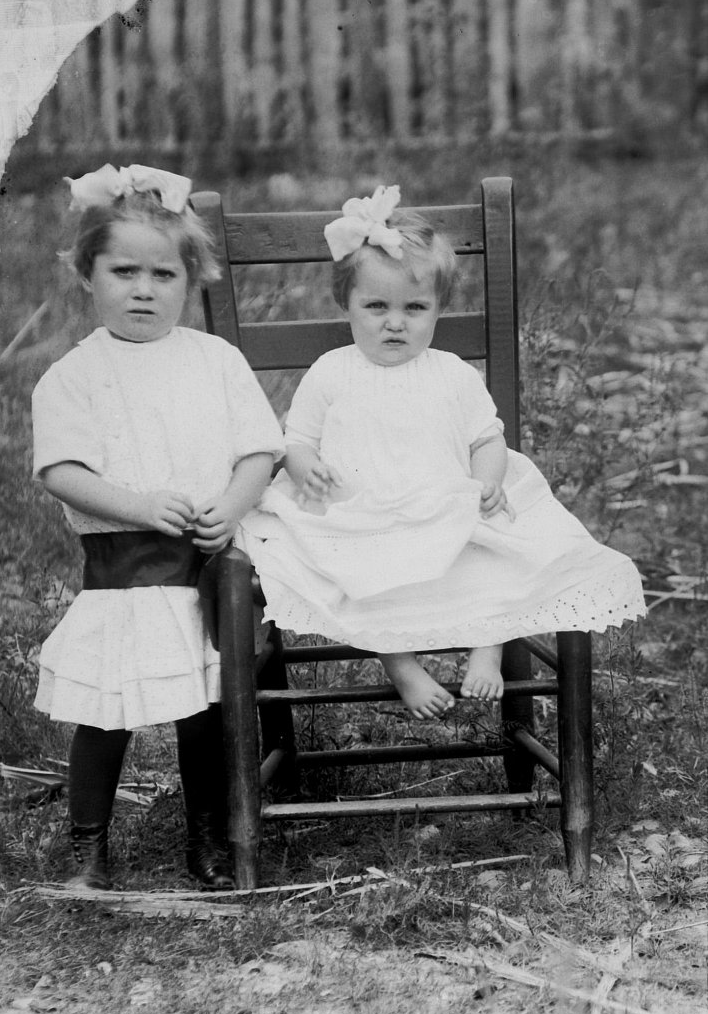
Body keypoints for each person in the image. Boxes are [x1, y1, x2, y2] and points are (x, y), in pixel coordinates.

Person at [239, 185, 645, 721]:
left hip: (446, 507)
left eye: (415, 308)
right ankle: (403, 667)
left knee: (494, 551)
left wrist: (487, 480)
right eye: (376, 306)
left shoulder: (452, 373)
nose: (395, 322)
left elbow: (486, 438)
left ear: (438, 309)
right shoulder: (331, 371)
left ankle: (487, 647)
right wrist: (304, 464)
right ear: (346, 304)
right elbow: (297, 438)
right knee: (362, 577)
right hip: (362, 515)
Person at [32, 163, 284, 891]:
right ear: (87, 273)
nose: (143, 290)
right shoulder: (73, 376)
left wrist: (231, 505)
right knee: (106, 711)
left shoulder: (215, 361)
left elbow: (259, 450)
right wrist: (139, 504)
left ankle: (207, 837)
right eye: (123, 272)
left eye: (164, 274)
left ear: (191, 279)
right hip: (125, 569)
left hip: (208, 565)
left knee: (205, 709)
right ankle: (89, 846)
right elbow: (61, 471)